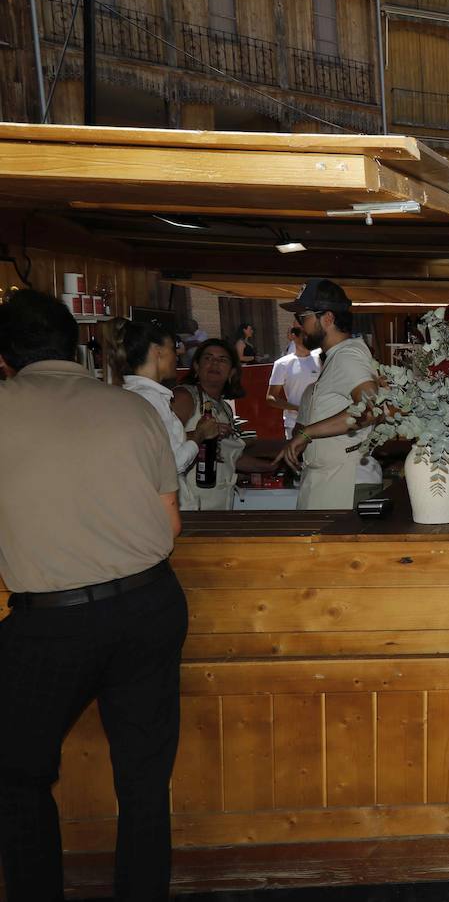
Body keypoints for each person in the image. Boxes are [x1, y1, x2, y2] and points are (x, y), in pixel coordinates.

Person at [0, 289, 187, 899]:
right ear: (78, 345)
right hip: (148, 605)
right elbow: (171, 526)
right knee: (143, 778)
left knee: (18, 776)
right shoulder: (133, 409)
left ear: (6, 357)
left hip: (50, 621)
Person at [276, 280, 381, 510]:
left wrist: (307, 433)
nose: (298, 325)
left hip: (344, 482)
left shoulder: (347, 356)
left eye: (303, 317)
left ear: (328, 319)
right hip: (331, 480)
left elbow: (371, 408)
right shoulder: (336, 357)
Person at [112, 319, 219, 476]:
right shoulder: (152, 398)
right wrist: (200, 434)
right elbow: (172, 463)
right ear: (157, 351)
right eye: (173, 349)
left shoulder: (127, 393)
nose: (176, 356)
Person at [171, 338, 246, 509]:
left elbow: (229, 456)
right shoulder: (185, 396)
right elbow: (161, 443)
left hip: (218, 502)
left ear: (232, 372)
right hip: (188, 503)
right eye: (208, 358)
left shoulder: (225, 407)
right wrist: (201, 434)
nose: (214, 364)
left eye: (222, 360)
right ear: (196, 366)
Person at [266, 325, 321, 438]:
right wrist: (297, 408)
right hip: (294, 423)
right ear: (294, 337)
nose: (308, 338)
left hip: (321, 421)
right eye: (304, 335)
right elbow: (271, 398)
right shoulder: (282, 364)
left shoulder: (320, 359)